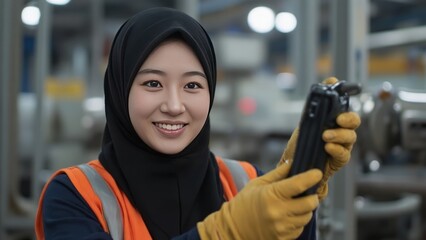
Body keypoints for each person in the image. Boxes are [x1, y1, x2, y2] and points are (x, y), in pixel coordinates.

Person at [35, 7, 360, 240]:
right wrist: (222, 234)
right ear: (120, 91)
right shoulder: (74, 195)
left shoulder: (245, 181)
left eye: (192, 86)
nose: (174, 106)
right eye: (152, 84)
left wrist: (301, 182)